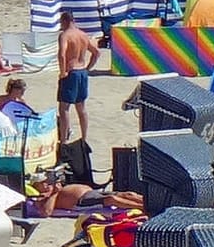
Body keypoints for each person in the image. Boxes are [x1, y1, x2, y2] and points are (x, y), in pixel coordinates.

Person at [56, 11, 99, 143]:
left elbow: (62, 54)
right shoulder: (83, 35)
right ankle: (84, 137)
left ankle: (64, 140)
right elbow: (96, 52)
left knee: (64, 108)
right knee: (81, 108)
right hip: (82, 73)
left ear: (65, 21)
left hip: (72, 72)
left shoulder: (65, 35)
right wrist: (88, 68)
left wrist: (63, 72)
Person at [30, 172, 144, 217]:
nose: (46, 184)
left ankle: (149, 201)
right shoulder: (41, 197)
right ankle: (144, 207)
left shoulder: (51, 188)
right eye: (42, 183)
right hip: (81, 201)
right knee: (111, 199)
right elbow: (46, 212)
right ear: (36, 186)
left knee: (127, 194)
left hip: (90, 193)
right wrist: (55, 193)